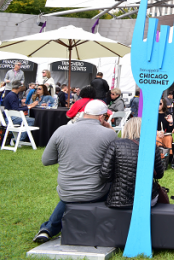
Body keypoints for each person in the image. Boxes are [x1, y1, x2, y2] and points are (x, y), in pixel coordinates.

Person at [33, 100, 118, 243]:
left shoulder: (61, 130)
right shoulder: (108, 134)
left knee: (72, 197)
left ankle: (48, 229)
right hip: (97, 191)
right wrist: (111, 131)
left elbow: (46, 160)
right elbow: (116, 162)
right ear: (102, 117)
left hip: (67, 191)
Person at [100, 117, 166, 208]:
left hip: (118, 199)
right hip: (146, 199)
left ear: (127, 128)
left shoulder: (115, 144)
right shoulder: (150, 145)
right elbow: (159, 174)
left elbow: (105, 174)